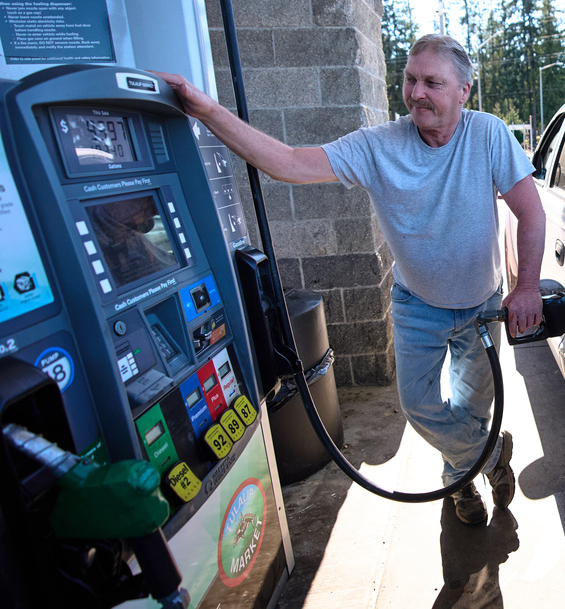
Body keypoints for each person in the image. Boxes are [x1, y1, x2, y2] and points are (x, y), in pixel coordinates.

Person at [154, 34, 544, 526]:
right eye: (409, 79)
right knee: (420, 405)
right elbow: (289, 163)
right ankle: (487, 459)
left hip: (483, 301)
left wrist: (526, 285)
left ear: (464, 90)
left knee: (472, 408)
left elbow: (530, 214)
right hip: (418, 303)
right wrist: (209, 112)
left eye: (433, 83)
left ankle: (458, 481)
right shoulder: (377, 146)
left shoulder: (487, 134)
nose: (417, 92)